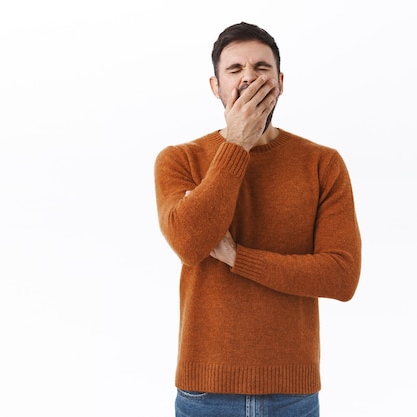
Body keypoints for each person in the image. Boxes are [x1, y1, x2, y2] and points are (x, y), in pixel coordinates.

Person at [154, 22, 361, 417]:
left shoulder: (323, 163)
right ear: (216, 86)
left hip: (293, 395)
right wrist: (236, 144)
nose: (249, 77)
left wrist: (237, 258)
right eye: (234, 70)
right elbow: (190, 243)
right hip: (205, 394)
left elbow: (341, 276)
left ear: (280, 82)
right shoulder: (179, 159)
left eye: (261, 68)